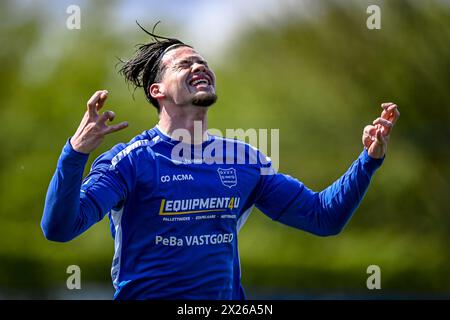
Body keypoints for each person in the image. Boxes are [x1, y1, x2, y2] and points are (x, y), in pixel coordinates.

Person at [41, 25, 400, 300]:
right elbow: (60, 228)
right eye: (185, 64)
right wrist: (74, 154)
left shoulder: (243, 160)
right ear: (157, 90)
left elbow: (324, 218)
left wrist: (367, 161)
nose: (200, 67)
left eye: (203, 63)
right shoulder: (130, 162)